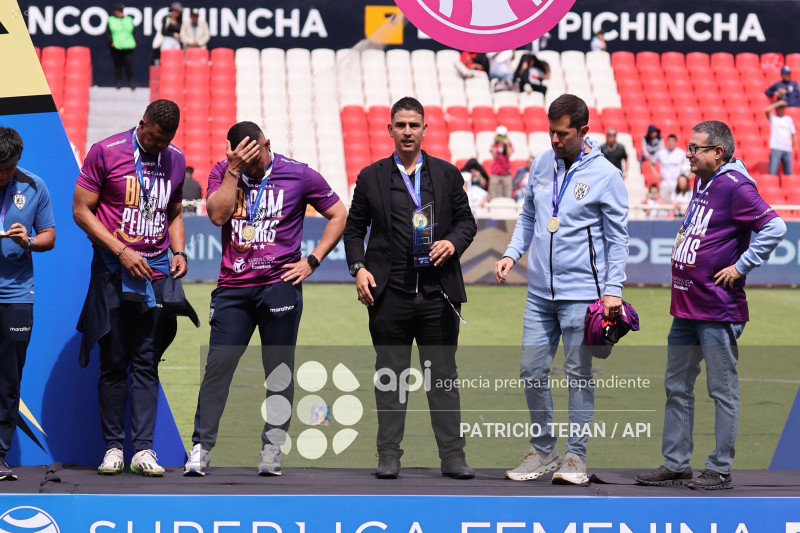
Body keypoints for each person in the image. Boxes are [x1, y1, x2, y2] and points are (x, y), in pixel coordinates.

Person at [183, 121, 347, 477]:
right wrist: (234, 171)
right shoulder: (225, 172)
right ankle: (201, 448)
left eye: (254, 156)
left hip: (279, 286)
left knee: (279, 371)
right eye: (242, 158)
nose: (250, 165)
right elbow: (216, 215)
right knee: (218, 369)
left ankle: (272, 448)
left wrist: (312, 260)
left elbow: (338, 214)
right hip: (233, 290)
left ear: (266, 143)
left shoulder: (299, 175)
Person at [636, 121, 786, 490]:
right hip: (688, 306)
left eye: (695, 148)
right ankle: (675, 463)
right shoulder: (704, 181)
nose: (688, 153)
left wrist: (741, 265)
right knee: (676, 386)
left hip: (717, 309)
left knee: (722, 391)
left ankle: (719, 468)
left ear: (717, 152)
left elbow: (776, 227)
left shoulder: (736, 187)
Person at [495, 94, 628, 485]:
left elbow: (617, 239)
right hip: (538, 293)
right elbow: (529, 216)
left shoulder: (606, 175)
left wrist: (613, 290)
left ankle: (576, 457)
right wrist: (511, 252)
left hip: (582, 295)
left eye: (563, 133)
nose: (555, 139)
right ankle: (544, 451)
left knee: (578, 375)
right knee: (531, 372)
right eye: (551, 131)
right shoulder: (540, 162)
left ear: (584, 131)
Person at [343, 97, 477, 480]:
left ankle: (453, 457)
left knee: (442, 380)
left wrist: (452, 242)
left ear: (424, 129)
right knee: (390, 378)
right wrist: (359, 268)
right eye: (400, 125)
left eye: (413, 125)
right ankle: (388, 455)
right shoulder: (370, 177)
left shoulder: (448, 175)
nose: (406, 131)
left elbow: (467, 222)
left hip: (438, 295)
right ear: (389, 129)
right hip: (389, 297)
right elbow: (354, 230)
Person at [74, 99, 198, 477]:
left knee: (146, 361)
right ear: (142, 123)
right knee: (113, 361)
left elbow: (174, 211)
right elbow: (81, 210)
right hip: (114, 270)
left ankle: (143, 450)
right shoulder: (105, 152)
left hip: (156, 273)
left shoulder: (175, 159)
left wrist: (179, 249)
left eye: (166, 140)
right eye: (154, 138)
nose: (159, 146)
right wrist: (121, 250)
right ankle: (113, 448)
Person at [0, 127, 56, 480]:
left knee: (8, 380)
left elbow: (50, 236)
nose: (3, 175)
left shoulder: (34, 186)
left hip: (17, 296)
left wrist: (30, 241)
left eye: (8, 168)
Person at [105, 4, 136, 90]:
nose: (121, 12)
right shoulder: (111, 20)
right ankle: (119, 82)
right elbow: (107, 33)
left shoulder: (128, 19)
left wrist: (135, 41)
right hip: (117, 47)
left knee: (128, 65)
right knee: (118, 66)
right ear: (115, 12)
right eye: (119, 10)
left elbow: (134, 31)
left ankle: (131, 83)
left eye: (122, 10)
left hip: (128, 46)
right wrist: (111, 42)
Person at [650, 134, 687, 203]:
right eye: (669, 141)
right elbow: (651, 164)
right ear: (667, 142)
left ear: (676, 142)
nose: (671, 143)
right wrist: (657, 175)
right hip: (665, 184)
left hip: (677, 185)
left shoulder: (681, 153)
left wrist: (689, 176)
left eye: (673, 141)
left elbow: (688, 164)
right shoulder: (660, 152)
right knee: (664, 206)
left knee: (675, 205)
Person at [765, 100, 798, 175]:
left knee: (788, 173)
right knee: (772, 172)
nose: (782, 110)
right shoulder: (773, 118)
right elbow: (766, 110)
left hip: (787, 149)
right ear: (776, 109)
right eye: (780, 108)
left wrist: (796, 145)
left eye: (782, 108)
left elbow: (793, 133)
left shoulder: (788, 119)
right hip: (776, 147)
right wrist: (777, 103)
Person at [489, 125, 514, 198]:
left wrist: (507, 144)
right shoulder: (494, 144)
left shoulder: (509, 144)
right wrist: (494, 143)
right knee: (493, 195)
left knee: (508, 195)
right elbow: (494, 156)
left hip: (506, 172)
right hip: (495, 171)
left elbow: (509, 155)